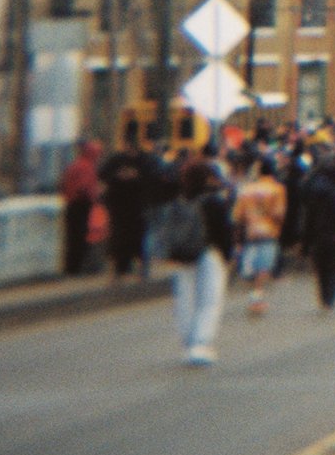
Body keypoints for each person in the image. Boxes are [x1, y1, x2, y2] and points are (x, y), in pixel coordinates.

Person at [167, 153, 235, 364]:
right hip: (209, 252)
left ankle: (188, 344)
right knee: (209, 300)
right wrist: (228, 254)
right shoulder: (214, 200)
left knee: (185, 300)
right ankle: (201, 343)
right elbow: (224, 231)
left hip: (182, 255)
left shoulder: (179, 199)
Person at [232, 152, 287, 316]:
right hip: (268, 231)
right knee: (264, 266)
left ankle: (254, 294)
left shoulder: (246, 189)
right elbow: (279, 214)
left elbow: (237, 215)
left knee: (251, 263)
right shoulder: (278, 189)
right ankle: (257, 295)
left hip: (250, 231)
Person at [301, 147, 335, 310]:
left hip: (317, 232)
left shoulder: (311, 189)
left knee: (321, 267)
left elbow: (307, 215)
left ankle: (323, 296)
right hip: (334, 232)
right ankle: (330, 298)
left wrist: (305, 237)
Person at [100, 135, 152, 280]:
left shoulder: (144, 161)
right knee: (119, 238)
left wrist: (137, 177)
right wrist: (118, 176)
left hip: (137, 206)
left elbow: (151, 179)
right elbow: (103, 175)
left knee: (138, 238)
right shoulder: (116, 160)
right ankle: (120, 269)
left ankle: (141, 268)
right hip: (119, 206)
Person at [60, 139, 101, 277]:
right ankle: (75, 268)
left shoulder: (76, 165)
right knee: (79, 236)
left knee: (73, 236)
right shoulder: (86, 167)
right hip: (81, 205)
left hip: (72, 204)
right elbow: (84, 187)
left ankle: (72, 267)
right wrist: (94, 196)